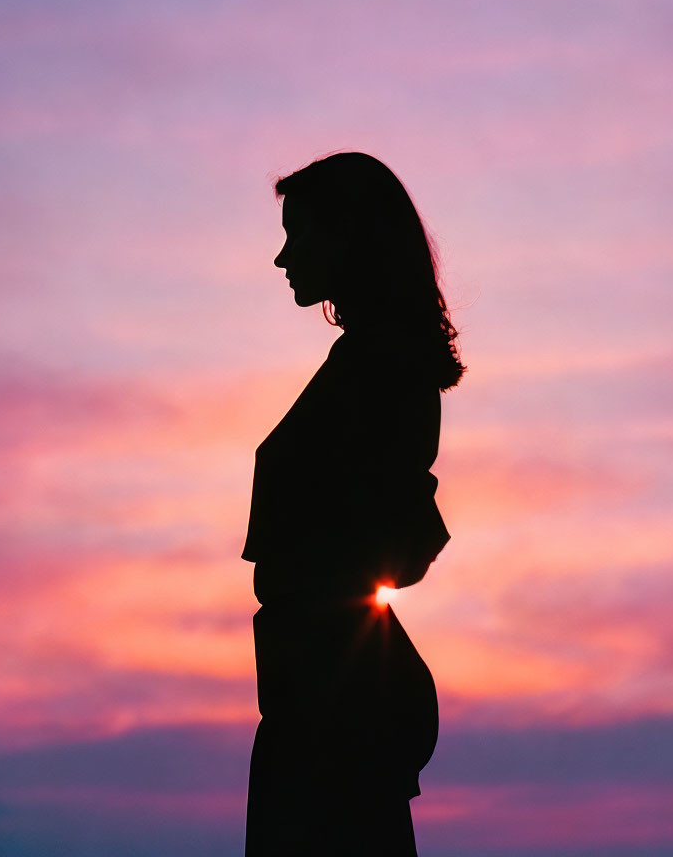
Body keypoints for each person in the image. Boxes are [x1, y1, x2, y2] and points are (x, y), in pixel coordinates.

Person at [241, 152, 466, 856]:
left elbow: (399, 542)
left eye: (298, 233)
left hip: (333, 707)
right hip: (318, 690)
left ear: (348, 236)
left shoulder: (381, 367)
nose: (283, 257)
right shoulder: (369, 362)